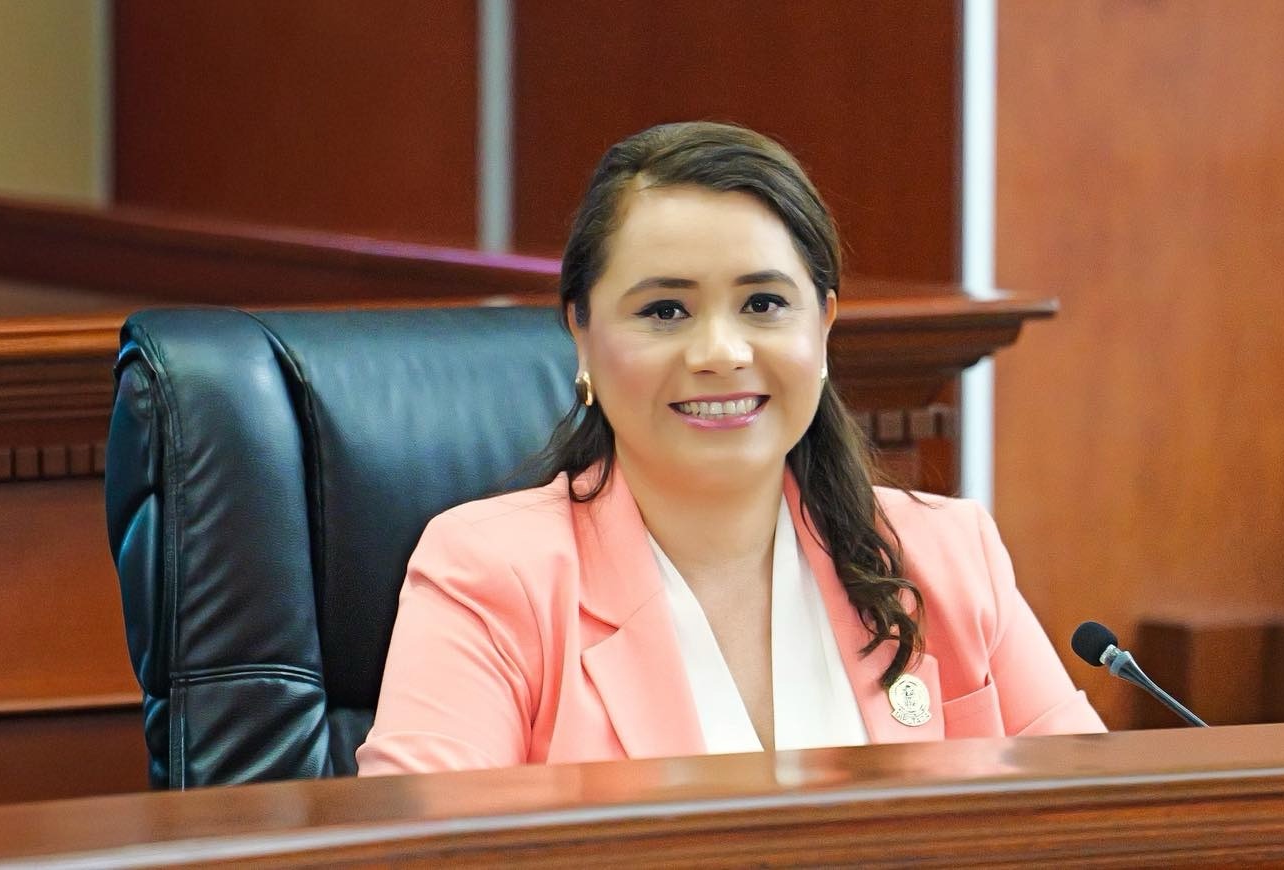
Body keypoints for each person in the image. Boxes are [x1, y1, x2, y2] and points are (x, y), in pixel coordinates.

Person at [357, 121, 1104, 774]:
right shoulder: (491, 576)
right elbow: (420, 850)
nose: (720, 351)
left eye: (763, 303)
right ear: (582, 332)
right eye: (665, 310)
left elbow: (1092, 822)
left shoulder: (949, 555)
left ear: (823, 327)